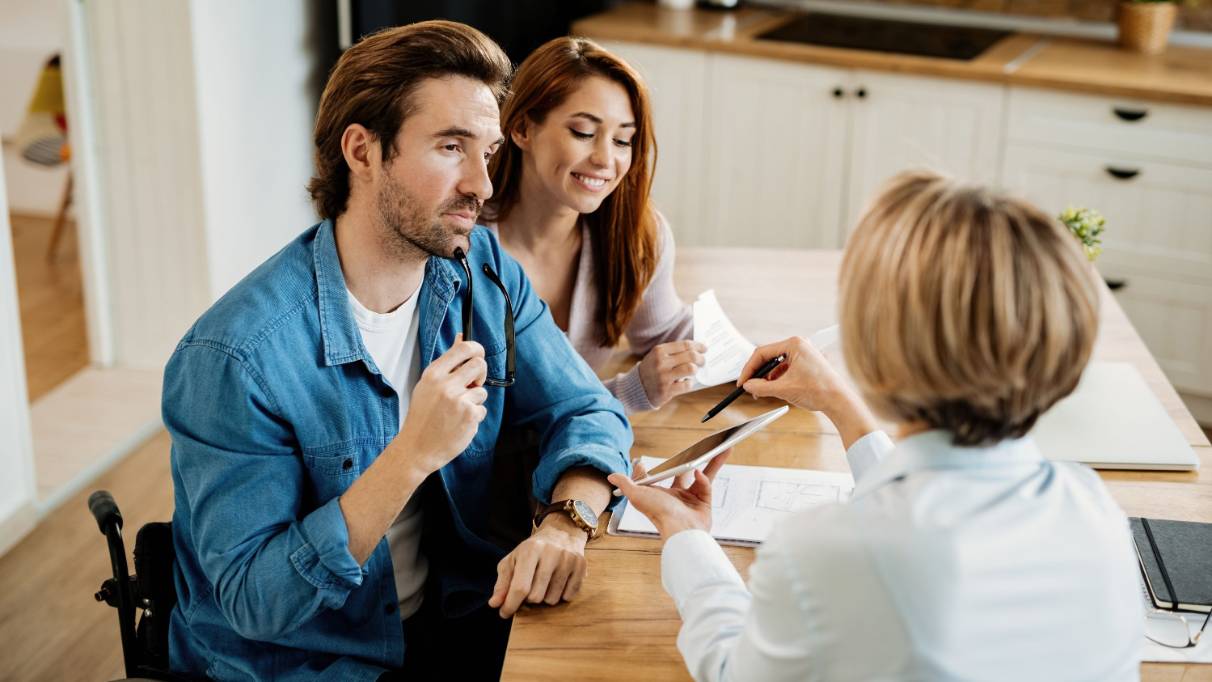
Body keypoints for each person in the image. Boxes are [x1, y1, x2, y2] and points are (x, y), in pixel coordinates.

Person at [163, 22, 632, 681]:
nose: (483, 185)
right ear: (362, 151)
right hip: (306, 663)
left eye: (489, 152)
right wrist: (411, 455)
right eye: (450, 147)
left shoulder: (484, 272)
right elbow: (255, 600)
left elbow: (586, 409)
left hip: (451, 624)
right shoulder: (235, 358)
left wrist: (565, 521)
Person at [610, 171, 1143, 681]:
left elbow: (733, 670)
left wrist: (687, 538)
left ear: (875, 354)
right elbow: (938, 502)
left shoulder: (827, 553)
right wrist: (841, 406)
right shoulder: (1096, 513)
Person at [483, 37, 705, 414]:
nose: (606, 159)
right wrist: (632, 390)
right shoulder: (464, 245)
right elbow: (500, 422)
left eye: (622, 140)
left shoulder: (636, 235)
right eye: (584, 133)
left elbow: (665, 332)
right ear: (521, 129)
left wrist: (763, 364)